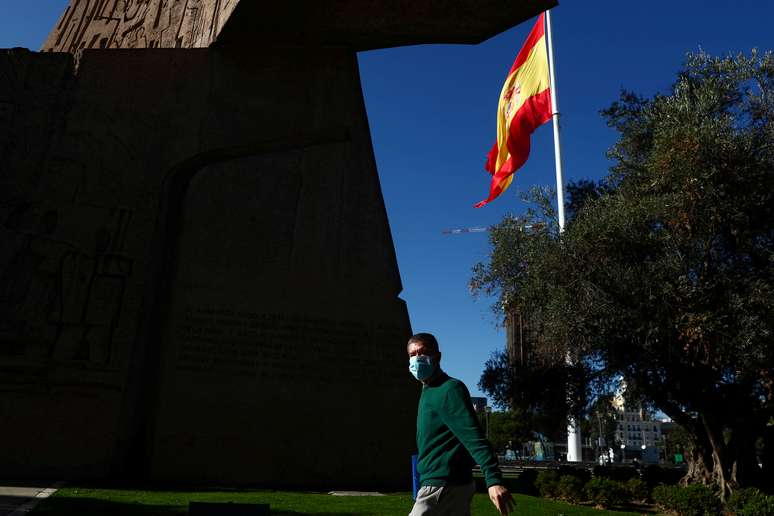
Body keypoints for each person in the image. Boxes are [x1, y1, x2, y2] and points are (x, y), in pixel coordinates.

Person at [407, 332, 515, 516]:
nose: (417, 359)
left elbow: (473, 436)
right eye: (412, 355)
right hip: (444, 483)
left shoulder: (449, 389)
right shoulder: (428, 390)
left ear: (437, 356)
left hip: (442, 485)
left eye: (423, 353)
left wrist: (493, 480)